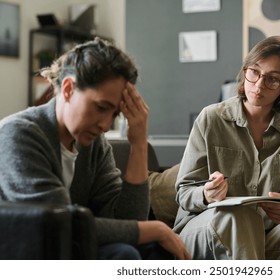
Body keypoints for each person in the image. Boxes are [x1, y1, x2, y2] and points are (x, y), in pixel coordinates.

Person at [0, 38, 190, 260]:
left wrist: (139, 143)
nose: (106, 125)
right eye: (101, 108)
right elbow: (56, 223)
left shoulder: (94, 145)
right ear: (69, 89)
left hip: (69, 246)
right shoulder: (18, 133)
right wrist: (154, 229)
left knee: (157, 251)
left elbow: (127, 220)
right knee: (126, 252)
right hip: (25, 252)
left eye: (114, 114)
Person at [173, 36, 280, 260]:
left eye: (272, 79)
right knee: (239, 217)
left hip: (264, 236)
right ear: (246, 70)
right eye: (254, 72)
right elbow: (184, 191)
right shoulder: (211, 118)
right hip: (203, 231)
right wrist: (206, 194)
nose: (259, 85)